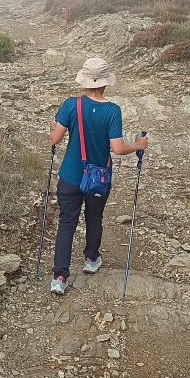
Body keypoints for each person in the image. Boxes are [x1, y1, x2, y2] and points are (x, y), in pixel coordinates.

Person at [48, 56, 148, 295]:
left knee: (67, 223)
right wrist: (139, 144)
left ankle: (60, 277)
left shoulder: (70, 105)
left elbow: (55, 139)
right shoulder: (112, 111)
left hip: (70, 177)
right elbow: (118, 148)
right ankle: (91, 260)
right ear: (105, 83)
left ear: (84, 82)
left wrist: (53, 128)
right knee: (94, 218)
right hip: (99, 179)